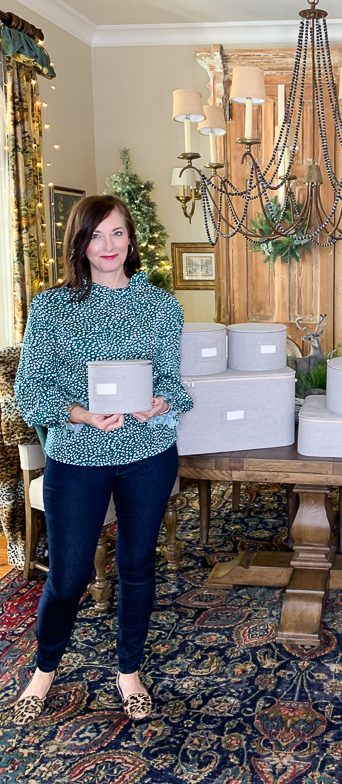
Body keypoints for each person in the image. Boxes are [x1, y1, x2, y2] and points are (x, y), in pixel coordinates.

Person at [12, 194, 193, 724]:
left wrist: (164, 401)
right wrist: (80, 414)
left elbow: (174, 386)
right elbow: (30, 392)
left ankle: (129, 671)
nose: (107, 245)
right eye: (95, 235)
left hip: (148, 454)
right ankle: (44, 671)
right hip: (77, 455)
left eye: (116, 233)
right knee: (68, 576)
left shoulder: (160, 305)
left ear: (131, 240)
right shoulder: (51, 306)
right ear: (80, 243)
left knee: (136, 566)